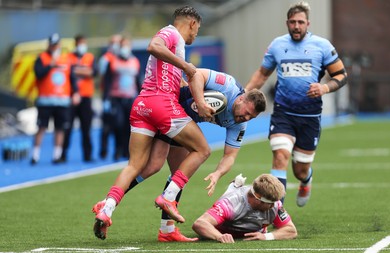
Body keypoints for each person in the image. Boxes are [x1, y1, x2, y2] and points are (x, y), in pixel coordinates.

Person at [92, 68, 267, 241]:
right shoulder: (228, 85)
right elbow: (196, 73)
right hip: (171, 108)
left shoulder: (239, 124)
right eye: (246, 113)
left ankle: (111, 204)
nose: (245, 118)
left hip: (176, 118)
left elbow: (230, 156)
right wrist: (199, 102)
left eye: (251, 117)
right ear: (241, 98)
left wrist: (217, 173)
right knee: (200, 151)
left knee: (162, 168)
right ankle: (165, 205)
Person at [93, 6, 214, 240]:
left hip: (142, 106)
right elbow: (153, 46)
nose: (195, 36)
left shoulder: (175, 46)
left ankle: (107, 207)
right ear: (191, 23)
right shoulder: (171, 34)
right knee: (202, 149)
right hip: (161, 105)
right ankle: (168, 200)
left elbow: (174, 80)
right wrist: (187, 67)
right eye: (196, 31)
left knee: (144, 165)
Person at [245, 1, 348, 207]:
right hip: (283, 113)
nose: (297, 26)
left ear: (308, 23)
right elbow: (262, 74)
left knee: (299, 170)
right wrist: (244, 94)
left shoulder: (322, 46)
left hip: (310, 116)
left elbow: (341, 75)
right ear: (287, 23)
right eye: (293, 22)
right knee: (280, 156)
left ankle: (306, 180)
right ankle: (277, 211)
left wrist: (324, 88)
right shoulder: (277, 45)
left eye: (301, 22)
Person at [192, 173, 297, 243]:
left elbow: (291, 230)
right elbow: (200, 223)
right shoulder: (232, 203)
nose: (273, 206)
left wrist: (266, 236)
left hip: (256, 233)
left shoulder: (275, 205)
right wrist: (219, 236)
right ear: (258, 199)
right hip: (224, 231)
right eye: (269, 203)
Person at [30, 33, 80, 165]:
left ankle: (57, 155)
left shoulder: (66, 59)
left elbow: (72, 78)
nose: (54, 47)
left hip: (62, 101)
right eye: (52, 44)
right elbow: (38, 74)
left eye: (56, 44)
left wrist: (76, 92)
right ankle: (35, 155)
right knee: (41, 127)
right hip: (45, 101)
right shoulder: (42, 58)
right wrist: (50, 65)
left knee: (60, 128)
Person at [102, 37, 142, 160]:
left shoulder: (134, 61)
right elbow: (107, 81)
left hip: (130, 98)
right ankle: (118, 149)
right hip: (116, 98)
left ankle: (127, 150)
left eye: (127, 45)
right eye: (123, 45)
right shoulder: (113, 61)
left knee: (129, 126)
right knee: (118, 124)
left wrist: (141, 97)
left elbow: (137, 81)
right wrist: (105, 99)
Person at [61, 34, 97, 163]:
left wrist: (75, 70)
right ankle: (62, 154)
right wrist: (84, 71)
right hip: (70, 96)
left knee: (86, 128)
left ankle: (87, 155)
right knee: (67, 127)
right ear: (76, 44)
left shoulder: (89, 57)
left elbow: (93, 72)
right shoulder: (68, 57)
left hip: (86, 97)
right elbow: (67, 71)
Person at [98, 34, 121, 159]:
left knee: (119, 124)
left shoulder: (122, 58)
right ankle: (103, 150)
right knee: (106, 125)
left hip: (120, 95)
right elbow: (103, 76)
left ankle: (119, 150)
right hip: (109, 95)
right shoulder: (106, 59)